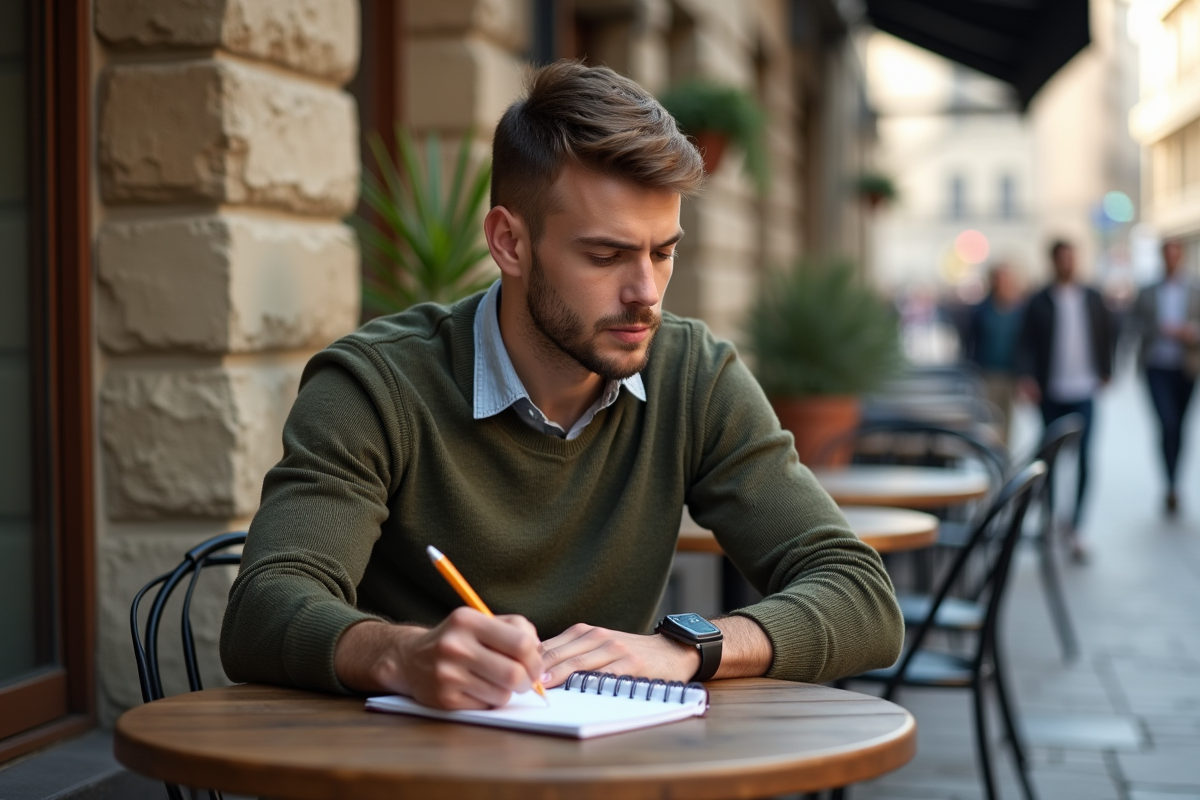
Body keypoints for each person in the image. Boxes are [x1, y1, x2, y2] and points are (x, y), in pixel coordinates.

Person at [219, 61, 902, 710]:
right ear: (510, 243)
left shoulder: (692, 375)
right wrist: (402, 655)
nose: (646, 295)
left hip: (604, 766)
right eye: (605, 255)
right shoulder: (375, 385)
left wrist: (688, 647)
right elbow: (263, 609)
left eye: (663, 252)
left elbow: (861, 596)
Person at [1016, 240, 1115, 560]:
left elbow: (1108, 333)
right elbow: (1027, 343)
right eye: (1062, 258)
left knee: (1085, 457)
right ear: (1053, 262)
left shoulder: (1092, 297)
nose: (1067, 263)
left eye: (1072, 258)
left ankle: (1076, 526)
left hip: (1084, 389)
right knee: (1051, 458)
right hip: (1051, 391)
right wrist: (1028, 378)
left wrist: (1105, 369)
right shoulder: (1039, 300)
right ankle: (1049, 520)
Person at [1131, 239, 1200, 514]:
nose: (1172, 259)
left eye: (1176, 254)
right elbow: (1133, 323)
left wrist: (1190, 332)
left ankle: (1174, 482)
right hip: (1156, 365)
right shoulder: (1148, 291)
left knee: (1180, 427)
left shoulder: (1194, 289)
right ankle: (1169, 482)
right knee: (1167, 424)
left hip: (1186, 366)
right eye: (1167, 255)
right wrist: (1157, 330)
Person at [964, 263, 1025, 445]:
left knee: (1007, 421)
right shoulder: (982, 310)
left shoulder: (1019, 310)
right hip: (987, 373)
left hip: (1011, 373)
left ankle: (1003, 457)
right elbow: (970, 341)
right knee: (989, 420)